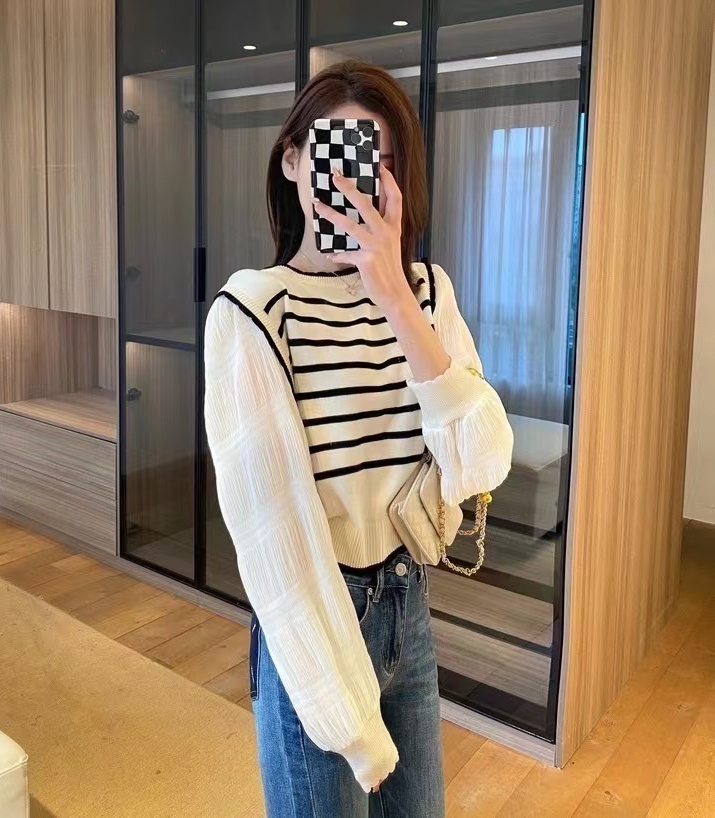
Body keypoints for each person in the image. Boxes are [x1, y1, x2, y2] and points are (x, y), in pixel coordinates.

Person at [203, 59, 514, 817]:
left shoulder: (428, 293)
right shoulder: (253, 311)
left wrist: (394, 295)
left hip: (410, 600)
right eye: (335, 152)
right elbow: (273, 539)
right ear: (293, 160)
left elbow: (482, 461)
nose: (353, 179)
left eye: (377, 161)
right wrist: (350, 725)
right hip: (315, 616)